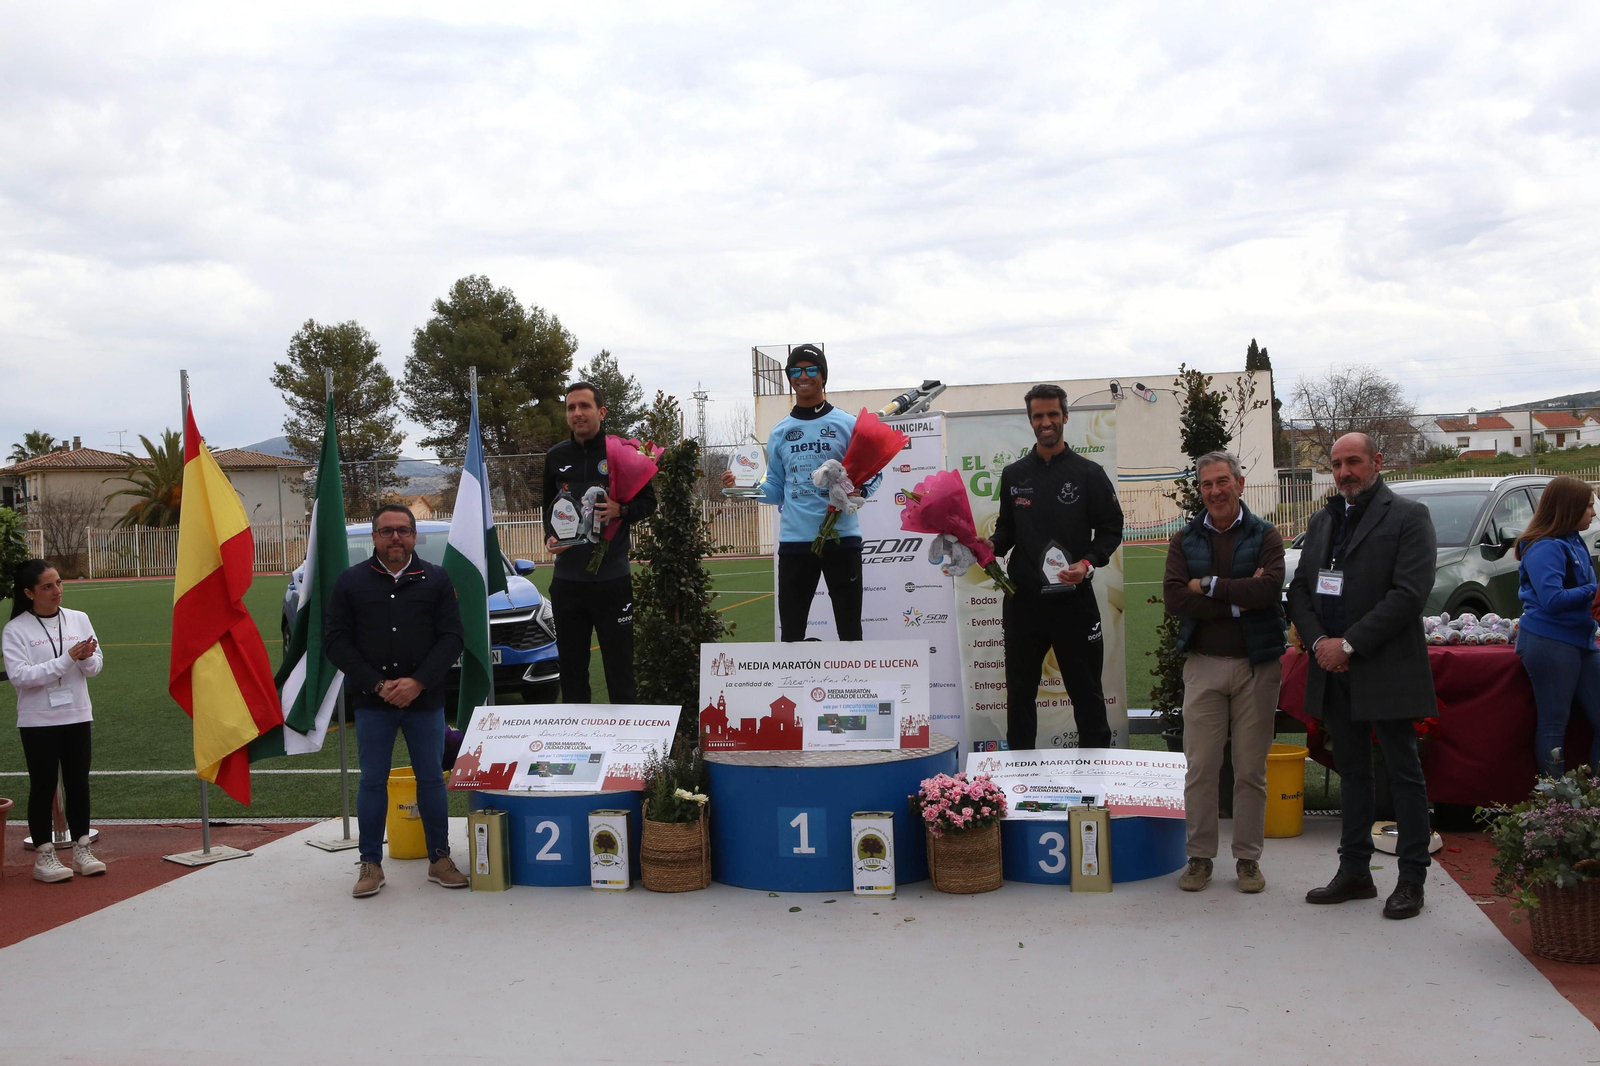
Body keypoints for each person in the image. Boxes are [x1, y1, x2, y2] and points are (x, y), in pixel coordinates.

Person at [1287, 432, 1435, 920]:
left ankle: (1411, 879)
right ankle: (1355, 872)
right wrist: (1320, 646)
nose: (1345, 471)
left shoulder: (1409, 517)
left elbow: (1409, 594)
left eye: (1354, 461)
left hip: (1385, 667)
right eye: (1336, 464)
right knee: (1352, 771)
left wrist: (1348, 644)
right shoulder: (1324, 518)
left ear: (1377, 461)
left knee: (1403, 773)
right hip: (1334, 670)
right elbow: (1301, 591)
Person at [325, 505, 467, 898]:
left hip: (425, 702)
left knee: (430, 781)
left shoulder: (436, 579)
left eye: (403, 531)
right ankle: (370, 864)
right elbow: (335, 640)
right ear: (373, 537)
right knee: (372, 780)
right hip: (374, 704)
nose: (395, 539)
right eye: (386, 532)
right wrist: (377, 684)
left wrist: (418, 682)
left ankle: (439, 859)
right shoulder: (350, 582)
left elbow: (452, 637)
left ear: (414, 535)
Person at [1163, 452, 1286, 894]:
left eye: (1222, 482)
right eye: (1207, 484)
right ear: (1200, 490)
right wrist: (1240, 599)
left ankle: (1248, 861)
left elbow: (1270, 589)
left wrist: (1210, 587)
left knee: (1250, 771)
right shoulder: (1185, 539)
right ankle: (1199, 858)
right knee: (1201, 768)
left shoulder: (1265, 535)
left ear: (1240, 482)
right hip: (1204, 666)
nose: (1215, 491)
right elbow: (1176, 599)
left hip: (1257, 666)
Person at [983, 383, 1123, 750]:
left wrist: (1088, 564)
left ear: (1065, 417)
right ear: (1030, 420)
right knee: (1020, 697)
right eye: (1038, 416)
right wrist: (988, 546)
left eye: (1052, 414)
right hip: (1023, 603)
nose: (1046, 422)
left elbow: (1111, 529)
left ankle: (1096, 782)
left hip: (1073, 602)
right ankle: (1017, 783)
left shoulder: (1088, 473)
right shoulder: (1014, 475)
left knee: (1087, 695)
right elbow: (1006, 531)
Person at [720, 343, 878, 642]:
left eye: (810, 369)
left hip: (841, 538)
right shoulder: (780, 431)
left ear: (823, 375)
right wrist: (743, 489)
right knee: (792, 633)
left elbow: (873, 472)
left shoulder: (846, 424)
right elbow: (777, 490)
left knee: (850, 631)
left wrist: (862, 488)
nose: (802, 376)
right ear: (790, 376)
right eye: (795, 370)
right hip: (796, 542)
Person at [542, 380, 657, 702]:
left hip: (611, 580)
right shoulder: (555, 457)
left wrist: (622, 509)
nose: (577, 413)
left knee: (620, 672)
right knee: (573, 672)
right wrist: (550, 539)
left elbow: (648, 503)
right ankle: (577, 746)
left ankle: (627, 751)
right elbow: (547, 510)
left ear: (601, 412)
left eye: (584, 406)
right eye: (571, 408)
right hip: (567, 582)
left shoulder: (621, 455)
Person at [3, 559, 105, 882]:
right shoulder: (15, 629)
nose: (57, 591)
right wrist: (67, 659)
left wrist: (87, 658)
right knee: (43, 785)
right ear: (29, 593)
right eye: (47, 586)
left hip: (77, 712)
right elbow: (22, 677)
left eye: (59, 583)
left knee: (78, 783)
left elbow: (96, 665)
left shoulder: (78, 619)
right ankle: (44, 855)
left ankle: (82, 848)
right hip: (38, 720)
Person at [1513, 475, 1600, 778]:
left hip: (1580, 639)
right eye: (1589, 506)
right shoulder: (1545, 547)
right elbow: (1552, 600)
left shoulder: (1574, 540)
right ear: (1569, 508)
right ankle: (1555, 808)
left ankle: (1590, 799)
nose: (1594, 513)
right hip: (1548, 640)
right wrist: (1593, 591)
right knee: (1554, 724)